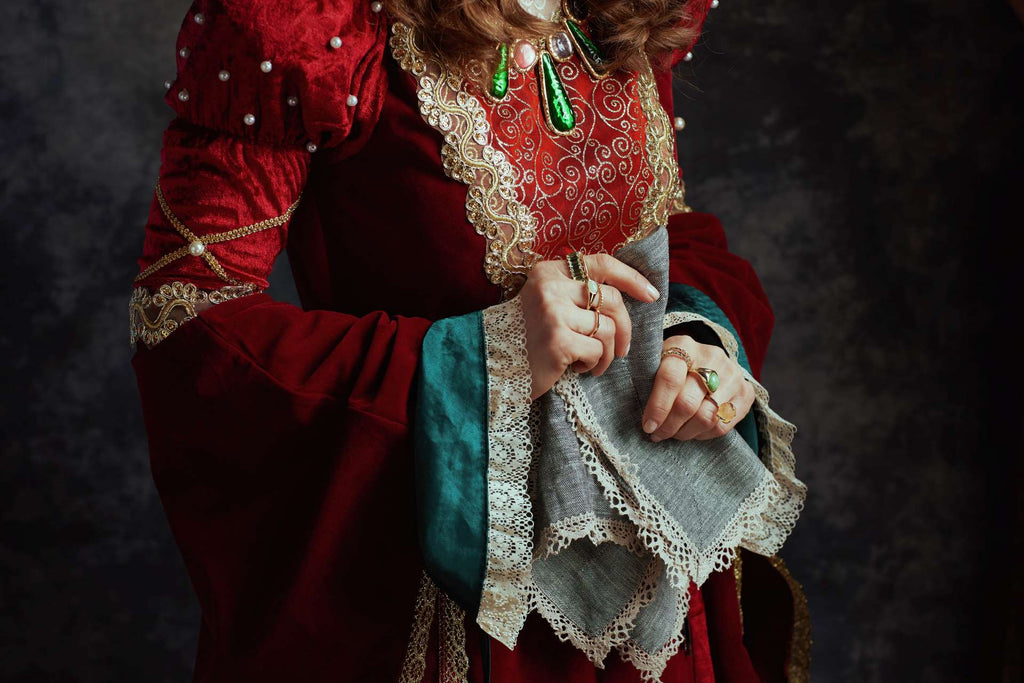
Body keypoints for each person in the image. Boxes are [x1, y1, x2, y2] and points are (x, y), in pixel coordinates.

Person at [129, 0, 809, 680]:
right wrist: (488, 359)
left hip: (663, 602)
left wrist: (690, 340)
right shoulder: (312, 26)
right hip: (458, 610)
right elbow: (183, 316)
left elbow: (663, 227)